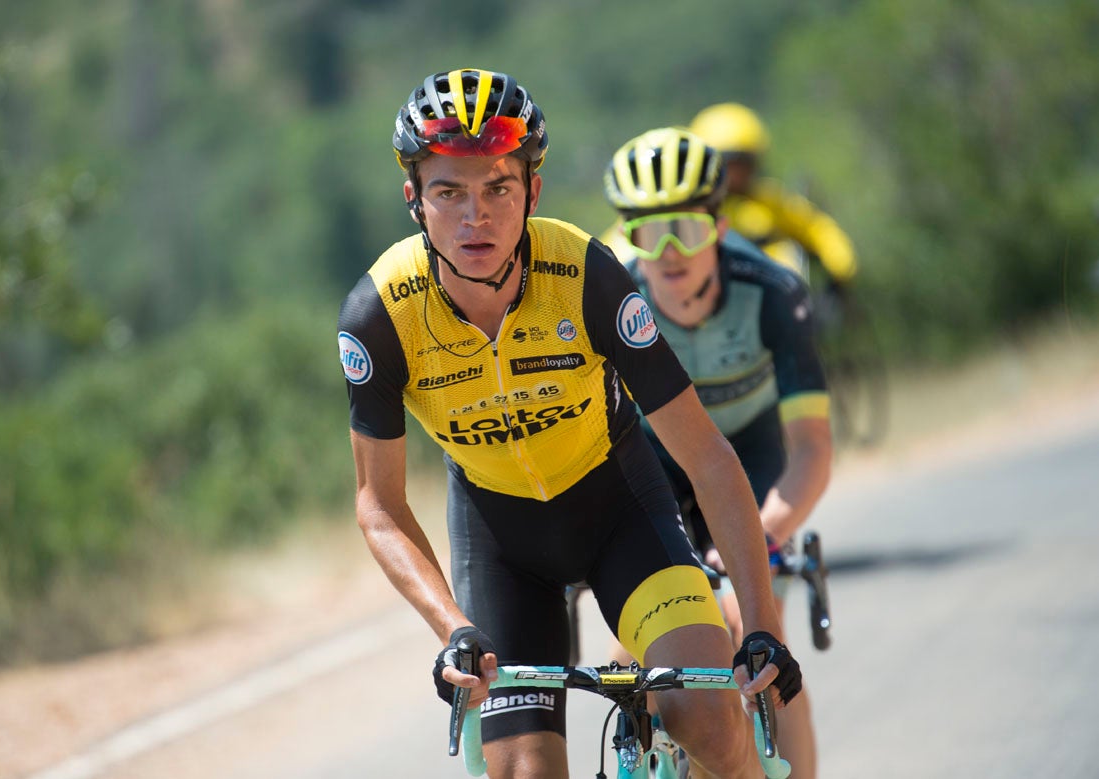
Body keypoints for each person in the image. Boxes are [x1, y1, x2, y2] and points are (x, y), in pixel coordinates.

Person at [338, 68, 802, 779]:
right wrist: (453, 628)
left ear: (533, 191)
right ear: (414, 199)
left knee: (705, 716)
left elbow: (707, 456)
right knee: (525, 771)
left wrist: (763, 623)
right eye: (449, 192)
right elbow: (379, 504)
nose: (476, 217)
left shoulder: (585, 274)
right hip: (503, 546)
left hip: (623, 515)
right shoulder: (380, 315)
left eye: (498, 187)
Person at [602, 126, 833, 779]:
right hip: (655, 474)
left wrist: (757, 533)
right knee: (629, 655)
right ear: (628, 238)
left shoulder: (773, 293)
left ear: (721, 226)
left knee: (759, 643)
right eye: (650, 234)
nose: (671, 254)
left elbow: (812, 449)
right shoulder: (612, 299)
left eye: (689, 231)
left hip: (755, 468)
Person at [689, 102, 857, 294]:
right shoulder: (696, 208)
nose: (738, 174)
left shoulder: (768, 199)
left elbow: (814, 226)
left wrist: (840, 268)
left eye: (745, 164)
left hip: (776, 302)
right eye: (729, 164)